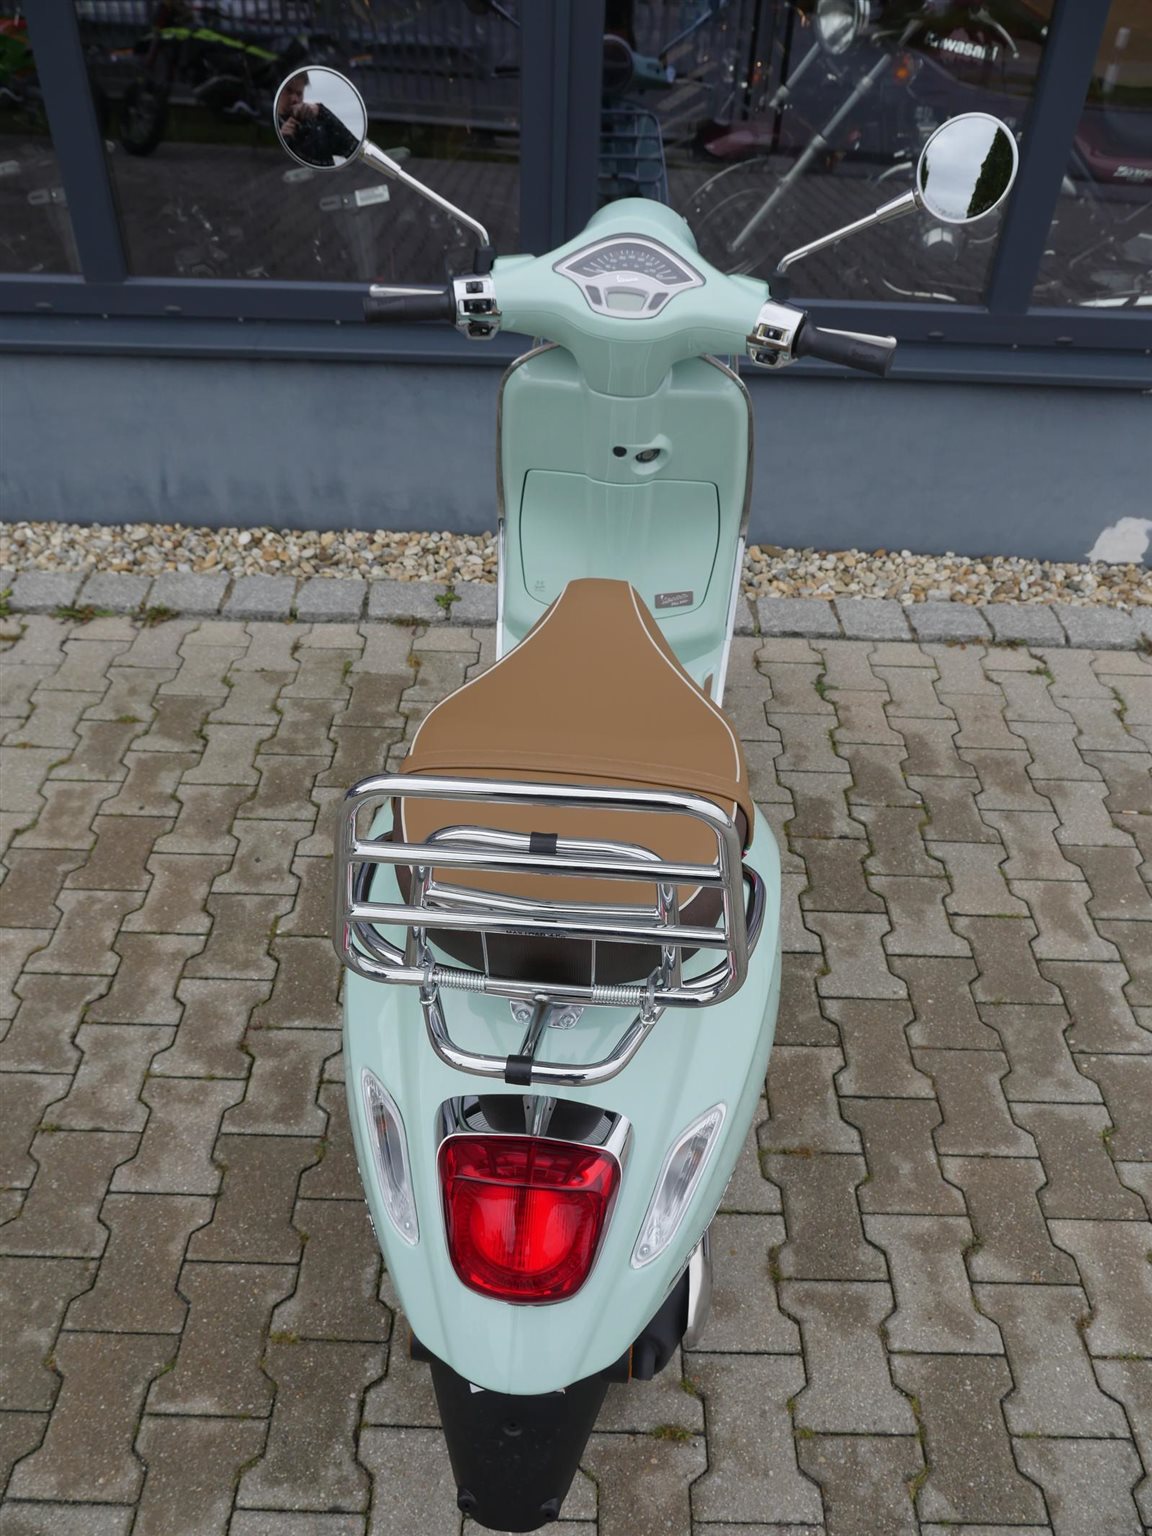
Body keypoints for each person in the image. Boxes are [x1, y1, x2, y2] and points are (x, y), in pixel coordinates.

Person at [276, 71, 360, 167]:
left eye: (299, 94)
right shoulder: (271, 123)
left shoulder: (316, 123)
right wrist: (284, 139)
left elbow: (352, 148)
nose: (294, 99)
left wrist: (321, 111)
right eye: (289, 91)